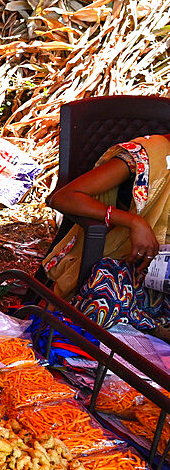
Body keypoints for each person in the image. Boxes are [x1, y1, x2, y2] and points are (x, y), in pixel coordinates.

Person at [45, 134, 170, 330]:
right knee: (101, 310)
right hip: (125, 266)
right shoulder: (148, 154)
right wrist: (134, 222)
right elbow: (64, 197)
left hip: (163, 281)